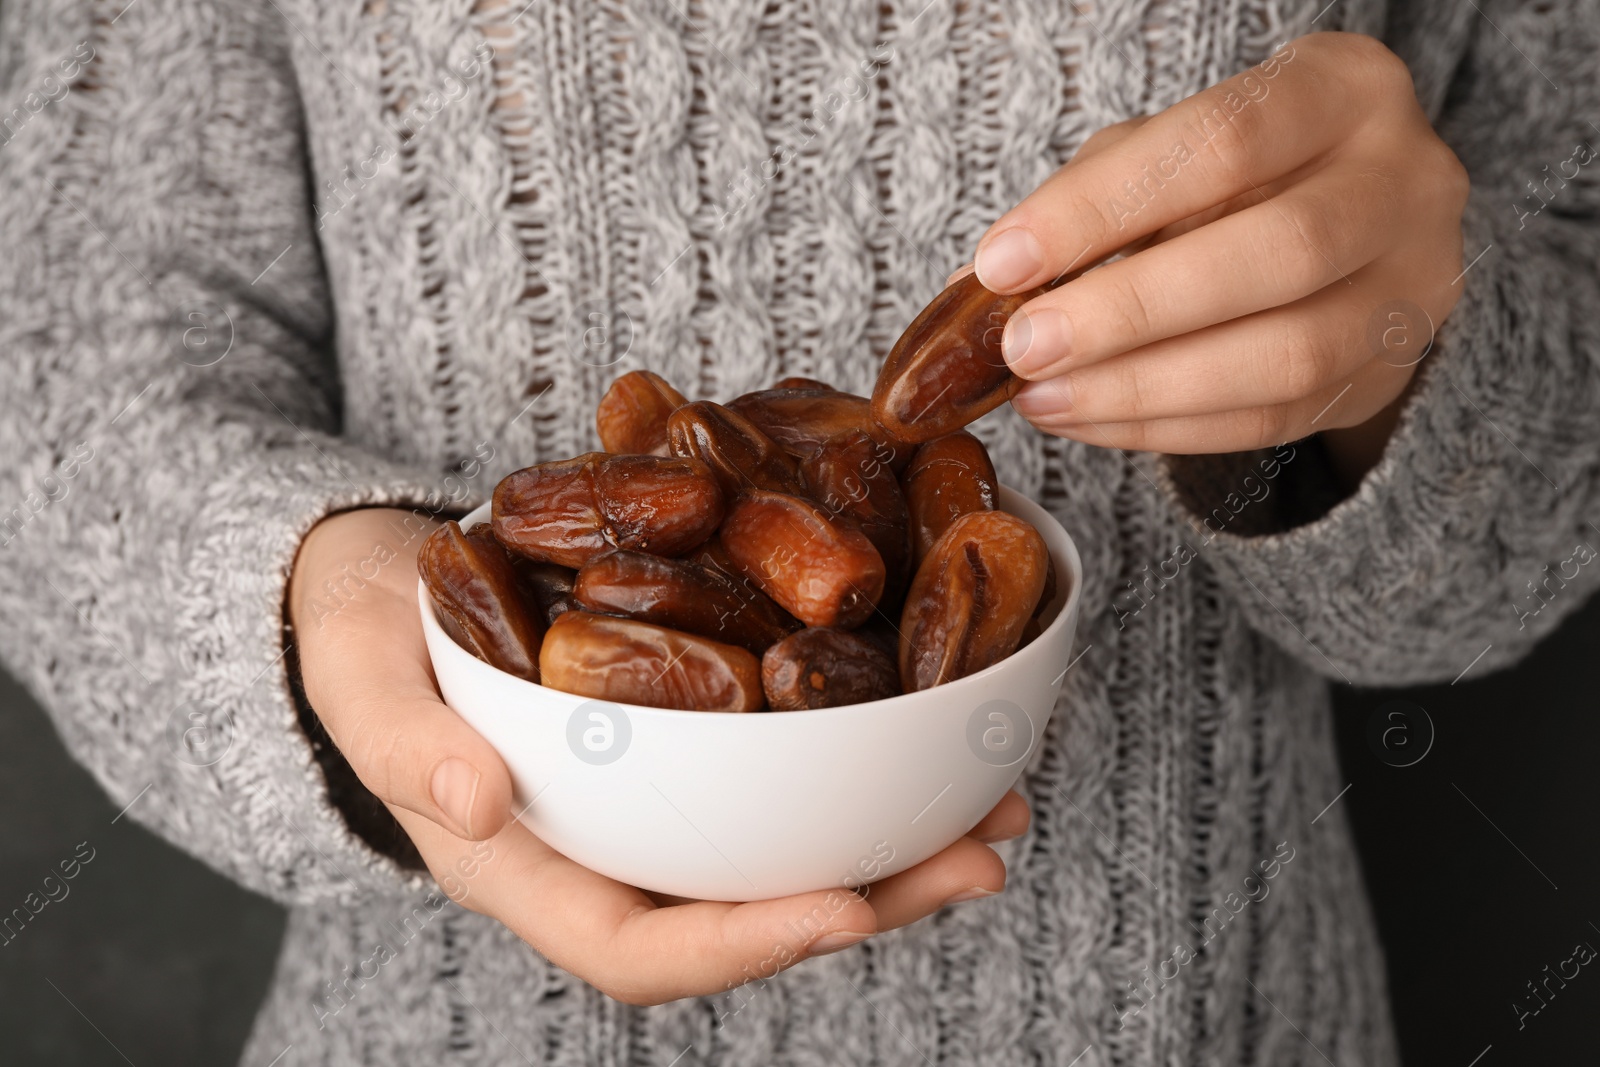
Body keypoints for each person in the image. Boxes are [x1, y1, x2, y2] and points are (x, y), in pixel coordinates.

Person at [1, 0, 1594, 1062]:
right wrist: (317, 599)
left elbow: (1532, 489)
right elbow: (61, 379)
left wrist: (1412, 368)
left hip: (1219, 1011)